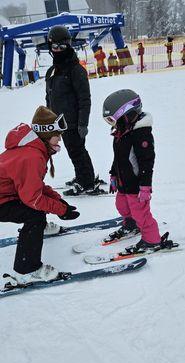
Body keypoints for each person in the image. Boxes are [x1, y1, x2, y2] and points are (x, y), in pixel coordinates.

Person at [0, 106, 80, 285]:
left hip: (7, 194)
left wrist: (59, 201)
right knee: (34, 215)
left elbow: (34, 186)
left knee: (36, 207)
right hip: (2, 200)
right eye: (57, 134)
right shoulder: (32, 156)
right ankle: (27, 270)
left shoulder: (31, 149)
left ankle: (39, 228)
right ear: (45, 134)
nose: (60, 139)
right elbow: (33, 198)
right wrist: (60, 210)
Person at [102, 89, 162, 251]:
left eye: (112, 120)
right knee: (121, 205)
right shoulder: (121, 133)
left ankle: (152, 240)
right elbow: (118, 158)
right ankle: (131, 224)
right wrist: (113, 174)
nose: (112, 124)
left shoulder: (141, 134)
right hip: (124, 182)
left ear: (126, 114)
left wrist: (145, 186)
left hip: (137, 185)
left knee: (141, 214)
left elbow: (147, 162)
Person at [46, 25, 99, 196]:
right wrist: (49, 119)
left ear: (69, 46)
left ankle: (87, 182)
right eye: (55, 47)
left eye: (62, 47)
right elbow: (50, 97)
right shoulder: (52, 71)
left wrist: (82, 123)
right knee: (75, 152)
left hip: (74, 122)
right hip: (60, 122)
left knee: (77, 152)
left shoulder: (76, 70)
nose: (58, 51)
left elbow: (85, 99)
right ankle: (83, 176)